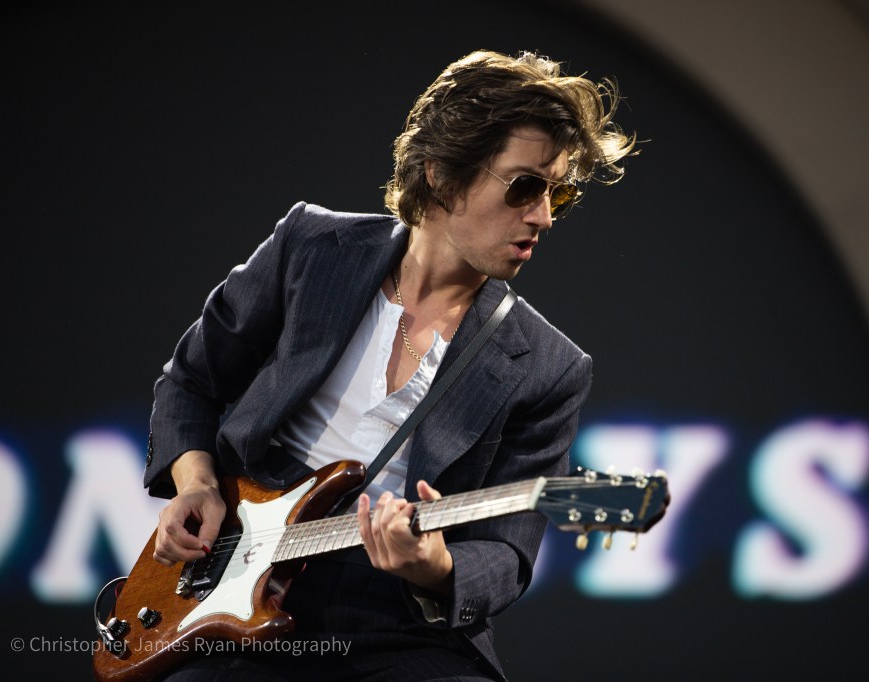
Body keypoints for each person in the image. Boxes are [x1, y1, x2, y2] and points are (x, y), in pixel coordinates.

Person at [143, 49, 636, 681]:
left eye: (558, 194)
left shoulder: (548, 366)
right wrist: (198, 487)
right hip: (235, 579)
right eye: (524, 187)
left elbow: (508, 553)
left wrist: (434, 567)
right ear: (441, 175)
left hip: (396, 620)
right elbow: (190, 382)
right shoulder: (312, 247)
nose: (542, 216)